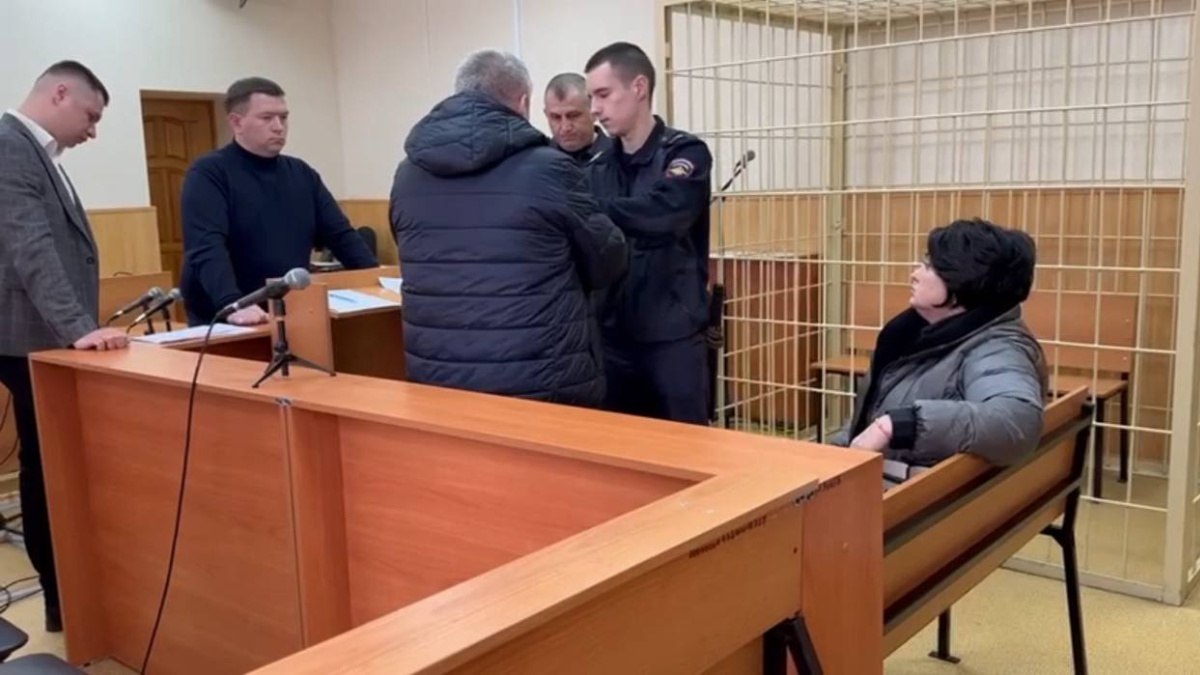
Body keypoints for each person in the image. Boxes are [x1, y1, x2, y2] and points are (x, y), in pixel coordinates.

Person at [390, 50, 627, 408]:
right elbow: (607, 259)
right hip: (539, 377)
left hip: (437, 376)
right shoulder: (550, 169)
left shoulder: (407, 175)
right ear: (524, 102)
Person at [0, 60, 129, 632]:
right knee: (47, 468)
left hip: (42, 337)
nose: (93, 131)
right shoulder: (10, 146)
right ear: (59, 93)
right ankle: (63, 596)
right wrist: (78, 328)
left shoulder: (37, 152)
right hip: (29, 339)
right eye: (91, 116)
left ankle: (71, 596)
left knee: (51, 464)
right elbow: (30, 249)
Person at [830, 218, 1049, 488]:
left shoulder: (998, 347)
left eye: (929, 266)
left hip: (902, 497)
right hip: (896, 487)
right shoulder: (918, 332)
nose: (915, 274)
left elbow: (1015, 422)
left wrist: (901, 425)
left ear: (962, 282)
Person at [584, 41, 713, 424]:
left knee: (685, 446)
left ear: (639, 88)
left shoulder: (685, 154)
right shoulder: (596, 166)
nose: (594, 109)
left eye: (603, 94)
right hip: (612, 337)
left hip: (672, 338)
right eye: (591, 98)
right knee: (616, 447)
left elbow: (664, 214)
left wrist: (595, 208)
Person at [179, 77, 377, 326]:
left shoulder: (301, 173)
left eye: (283, 118)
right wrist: (232, 303)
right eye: (267, 118)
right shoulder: (209, 173)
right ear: (237, 122)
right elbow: (206, 246)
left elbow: (341, 235)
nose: (278, 127)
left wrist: (376, 279)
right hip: (227, 316)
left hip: (291, 309)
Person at [543, 73, 609, 163]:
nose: (565, 127)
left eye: (573, 116)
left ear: (593, 112)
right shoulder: (538, 162)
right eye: (556, 117)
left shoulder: (620, 159)